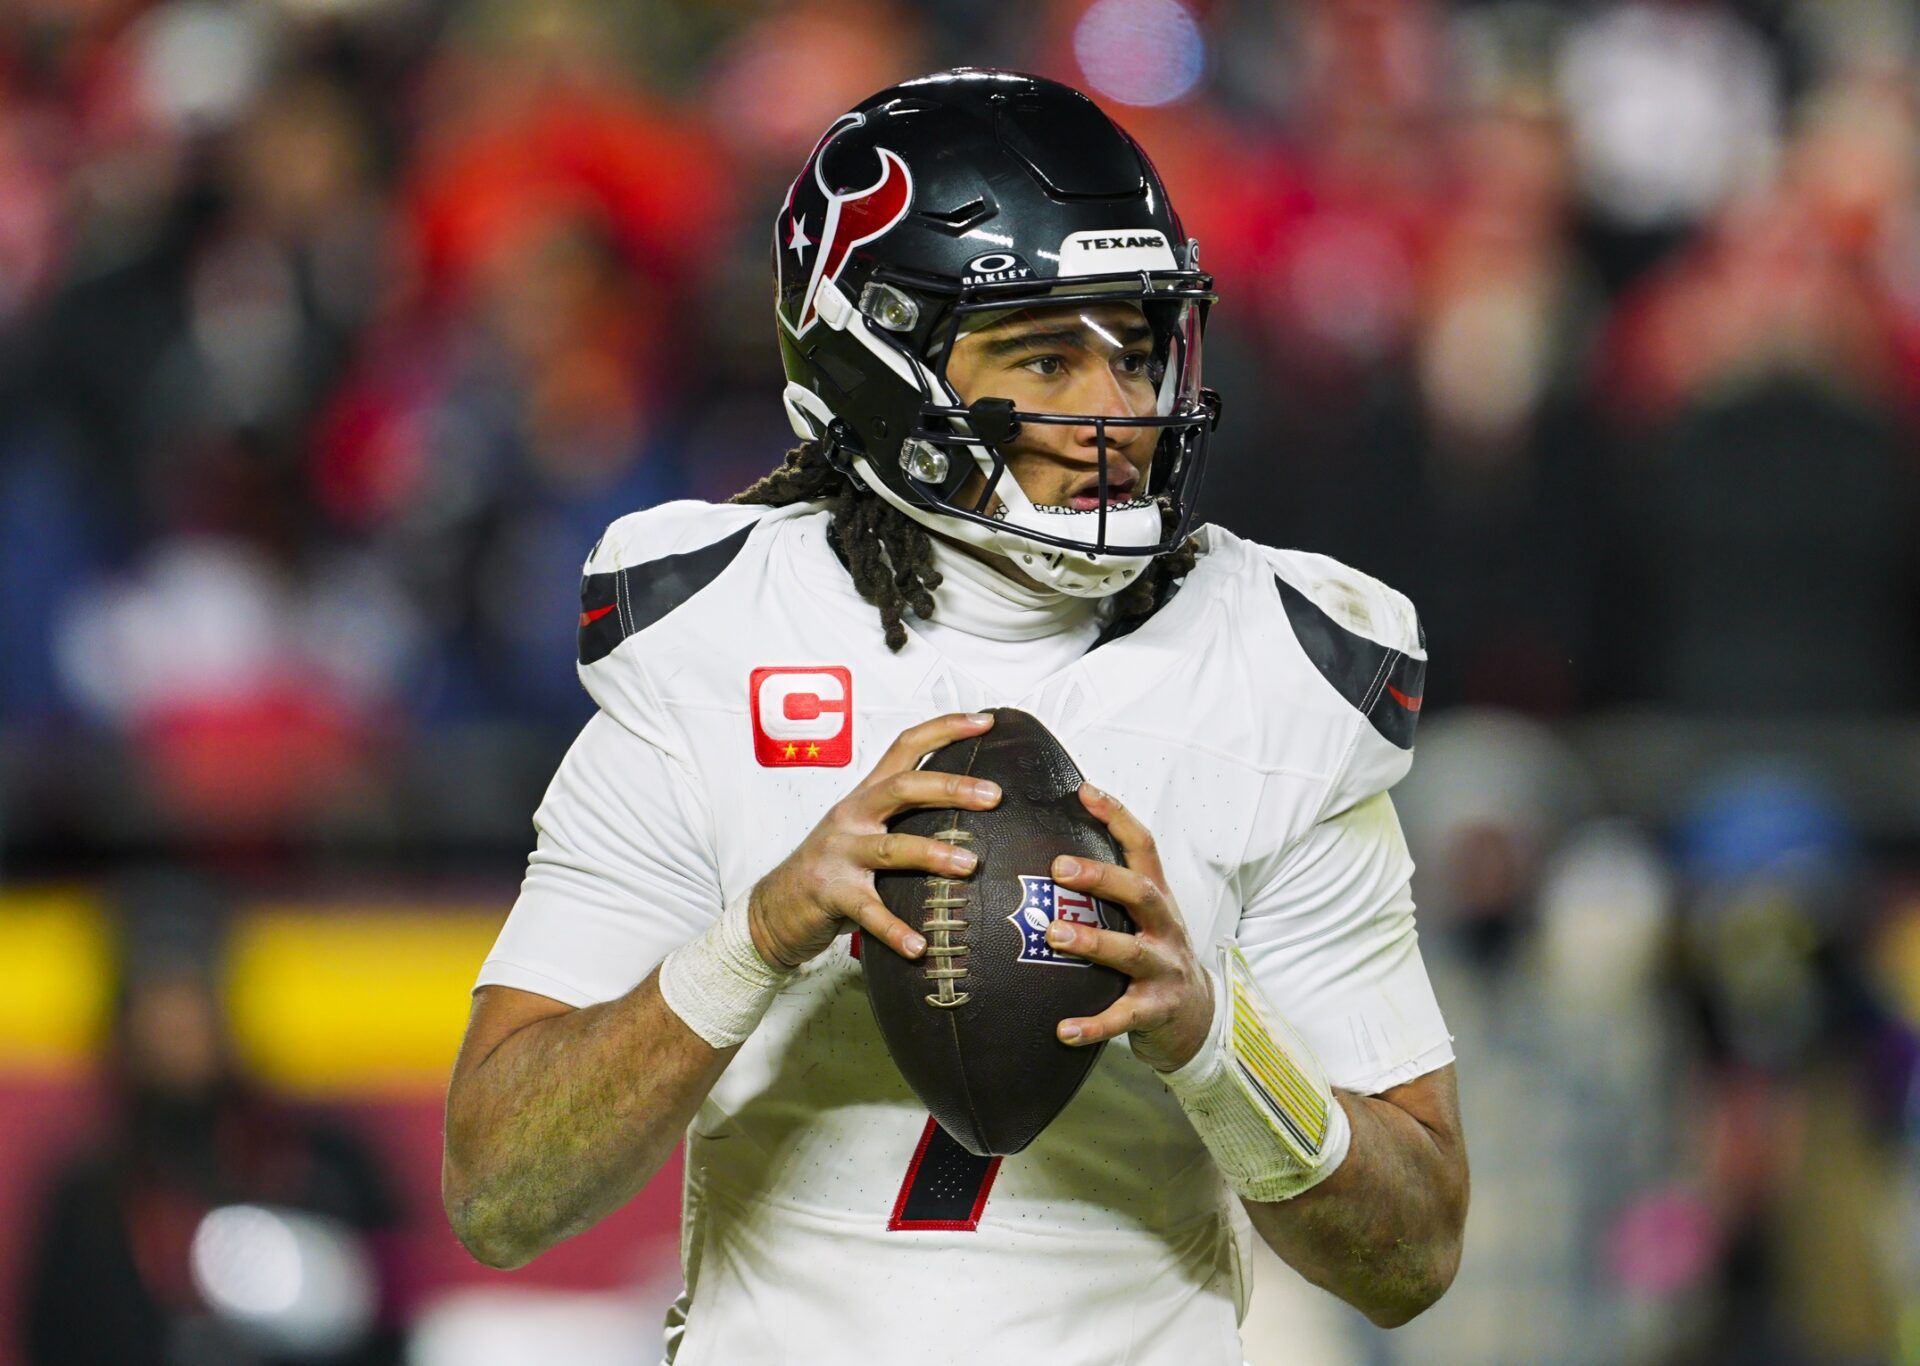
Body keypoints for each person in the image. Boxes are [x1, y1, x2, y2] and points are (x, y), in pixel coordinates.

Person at [443, 69, 1467, 1365]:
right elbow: (498, 1188)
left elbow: (1417, 1249)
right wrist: (754, 938)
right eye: (1046, 352)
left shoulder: (1275, 663)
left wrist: (1215, 1037)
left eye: (1139, 349)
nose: (1118, 414)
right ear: (877, 357)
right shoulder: (719, 637)